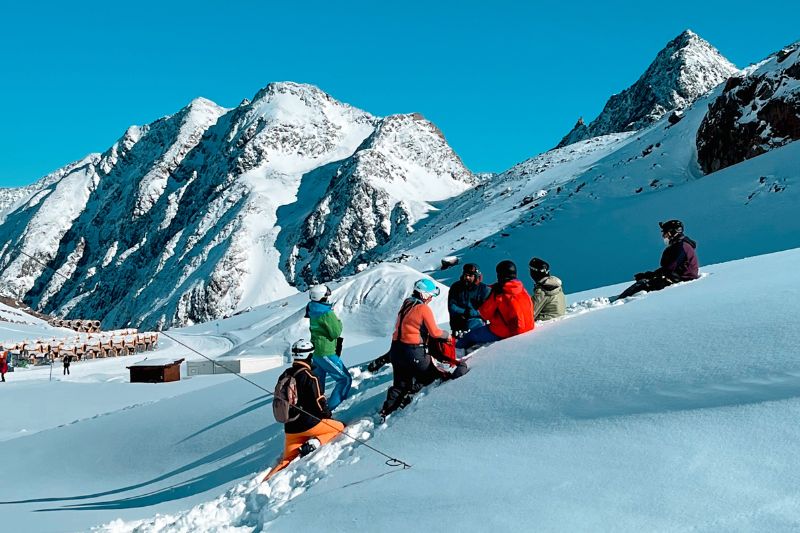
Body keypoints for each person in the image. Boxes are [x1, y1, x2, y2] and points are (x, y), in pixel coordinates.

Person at [264, 339, 345, 481]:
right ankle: (315, 443)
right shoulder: (310, 376)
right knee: (339, 427)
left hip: (290, 428)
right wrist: (328, 416)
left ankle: (265, 482)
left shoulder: (284, 375)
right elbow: (319, 403)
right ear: (309, 355)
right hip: (310, 425)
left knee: (286, 460)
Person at [379, 279, 451, 418]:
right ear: (424, 294)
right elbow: (435, 332)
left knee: (399, 384)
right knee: (431, 375)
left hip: (396, 349)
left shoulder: (407, 303)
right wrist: (447, 336)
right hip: (413, 351)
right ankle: (411, 393)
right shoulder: (423, 308)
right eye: (430, 295)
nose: (431, 298)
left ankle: (386, 411)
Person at [456, 260, 534, 351]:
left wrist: (479, 304)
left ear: (500, 275)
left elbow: (486, 315)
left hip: (508, 332)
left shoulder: (499, 294)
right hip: (528, 328)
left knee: (469, 336)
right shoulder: (521, 289)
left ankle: (456, 350)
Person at [614, 220, 700, 300]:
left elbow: (669, 268)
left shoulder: (681, 247)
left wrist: (648, 275)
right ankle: (622, 299)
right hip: (676, 278)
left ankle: (620, 301)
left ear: (673, 232)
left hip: (681, 279)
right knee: (645, 282)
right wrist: (650, 275)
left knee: (643, 284)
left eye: (665, 234)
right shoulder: (680, 246)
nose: (663, 237)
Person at [306, 284, 351, 410]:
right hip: (326, 351)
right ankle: (331, 409)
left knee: (318, 383)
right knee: (344, 379)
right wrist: (338, 322)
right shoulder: (326, 313)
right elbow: (336, 332)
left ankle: (316, 409)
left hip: (315, 351)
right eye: (326, 294)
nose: (328, 297)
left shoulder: (312, 308)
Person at [448, 263, 492, 335]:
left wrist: (474, 313)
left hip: (477, 323)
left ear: (476, 276)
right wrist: (465, 312)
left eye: (470, 275)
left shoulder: (484, 289)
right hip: (458, 323)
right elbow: (452, 306)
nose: (467, 277)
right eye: (466, 275)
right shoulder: (456, 287)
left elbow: (488, 309)